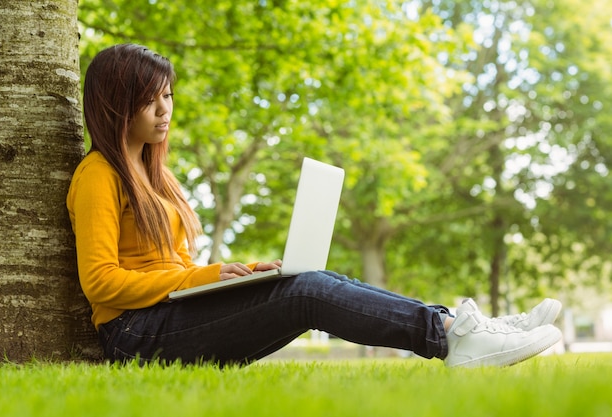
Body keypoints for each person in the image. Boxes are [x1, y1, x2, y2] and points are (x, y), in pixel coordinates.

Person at [67, 43, 562, 368]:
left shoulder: (157, 179)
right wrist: (204, 277)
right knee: (306, 294)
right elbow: (102, 282)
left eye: (169, 96)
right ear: (115, 103)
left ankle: (460, 325)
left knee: (312, 282)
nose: (165, 110)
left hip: (167, 317)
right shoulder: (97, 176)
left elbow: (169, 270)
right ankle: (450, 337)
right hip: (134, 335)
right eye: (151, 99)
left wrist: (238, 274)